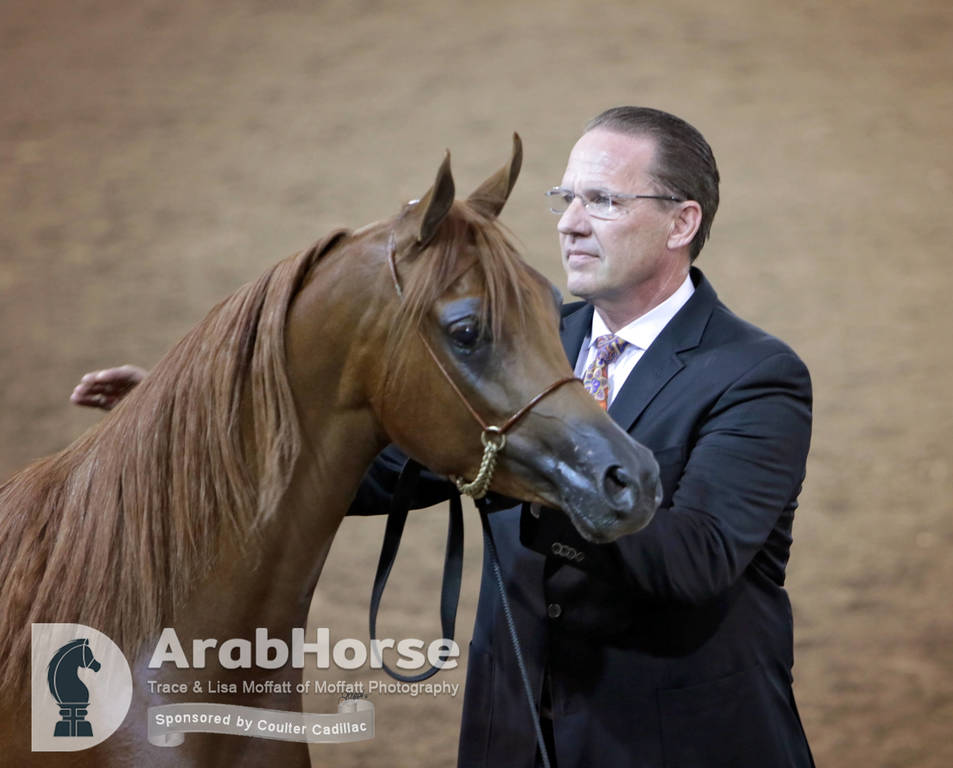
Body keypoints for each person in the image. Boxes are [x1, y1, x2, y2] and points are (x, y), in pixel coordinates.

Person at [72, 107, 814, 768]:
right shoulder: (534, 338)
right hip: (512, 735)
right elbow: (371, 471)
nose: (569, 222)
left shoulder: (752, 374)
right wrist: (195, 424)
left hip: (676, 744)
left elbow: (696, 561)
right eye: (566, 197)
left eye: (602, 200)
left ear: (681, 222)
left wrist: (555, 472)